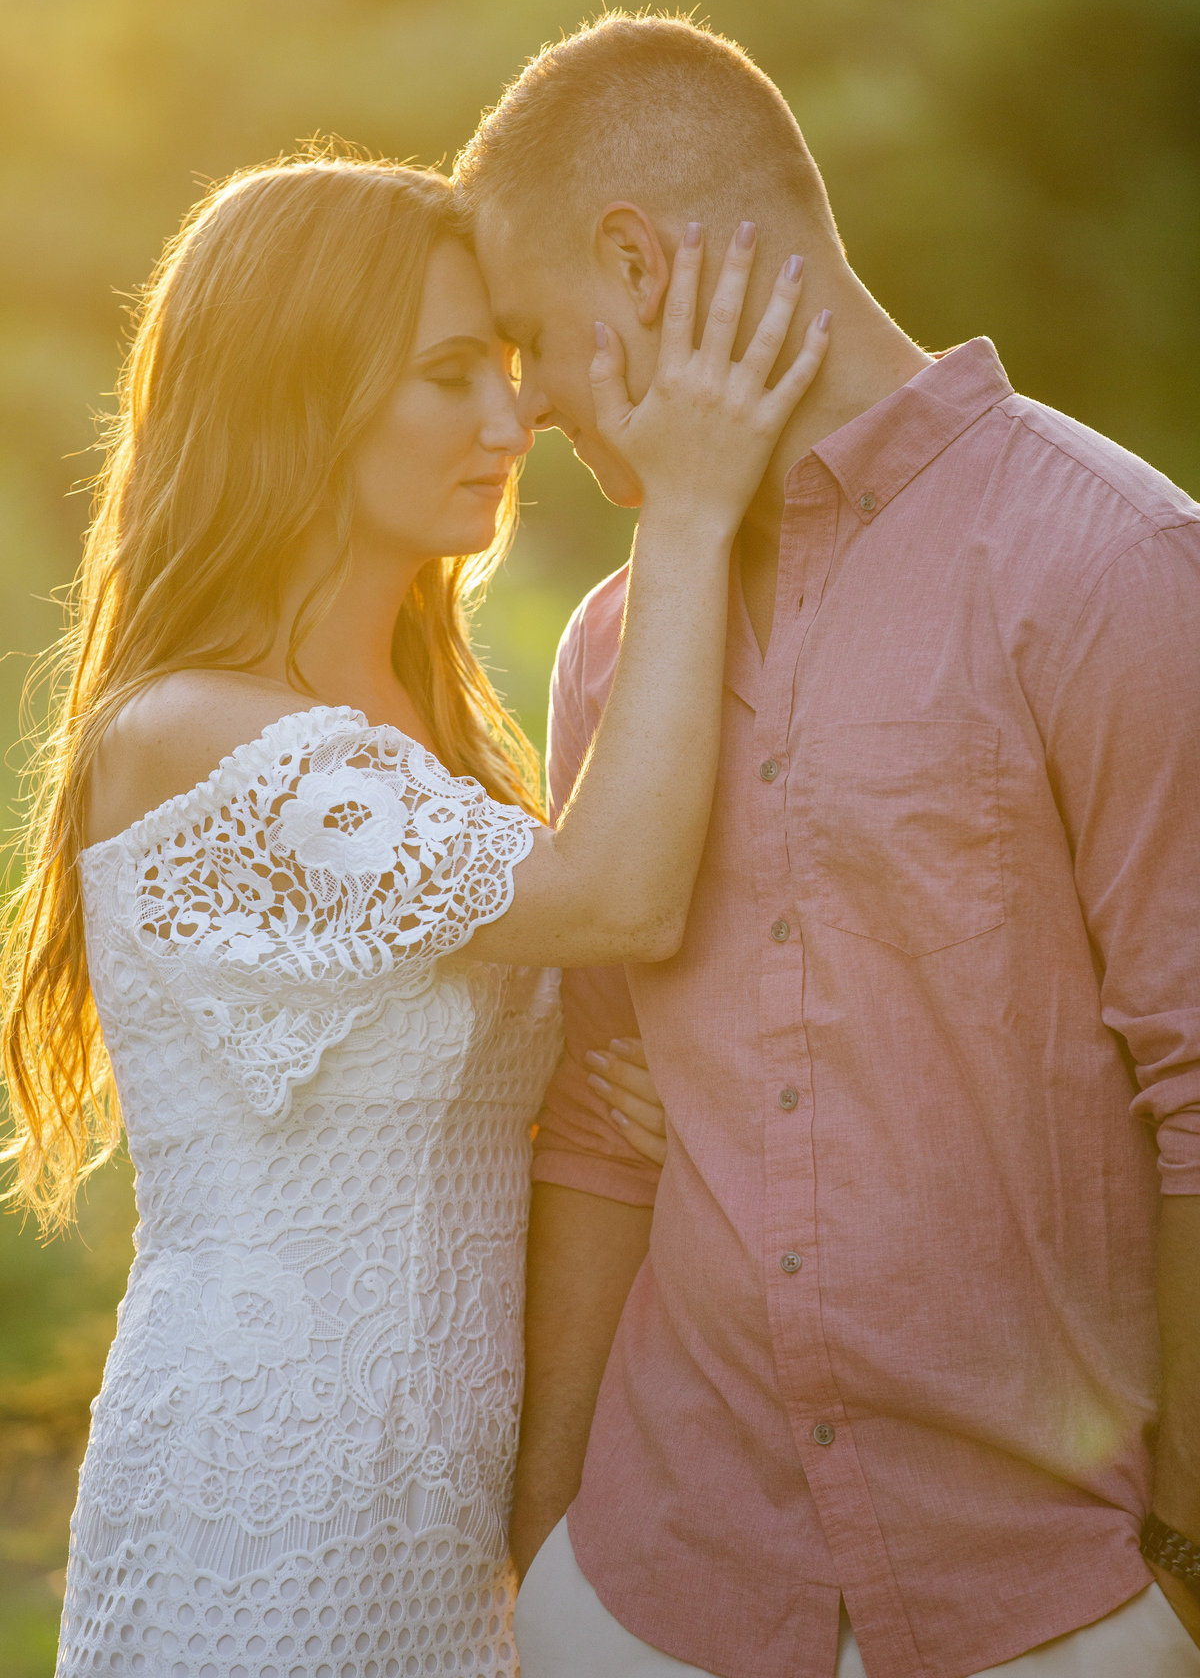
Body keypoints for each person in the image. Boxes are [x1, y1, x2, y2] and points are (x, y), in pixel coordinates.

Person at [0, 151, 828, 1676]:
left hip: (444, 1520)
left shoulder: (433, 744)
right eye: (452, 377)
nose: (514, 426)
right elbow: (619, 898)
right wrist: (693, 510)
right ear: (294, 394)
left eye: (509, 375)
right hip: (258, 1521)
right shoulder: (200, 736)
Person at [454, 11, 1200, 1677]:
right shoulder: (609, 647)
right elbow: (603, 1114)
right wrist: (548, 1544)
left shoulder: (1119, 569)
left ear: (635, 263)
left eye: (532, 337)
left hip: (1057, 1605)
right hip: (660, 1589)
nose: (531, 406)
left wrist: (1183, 1560)